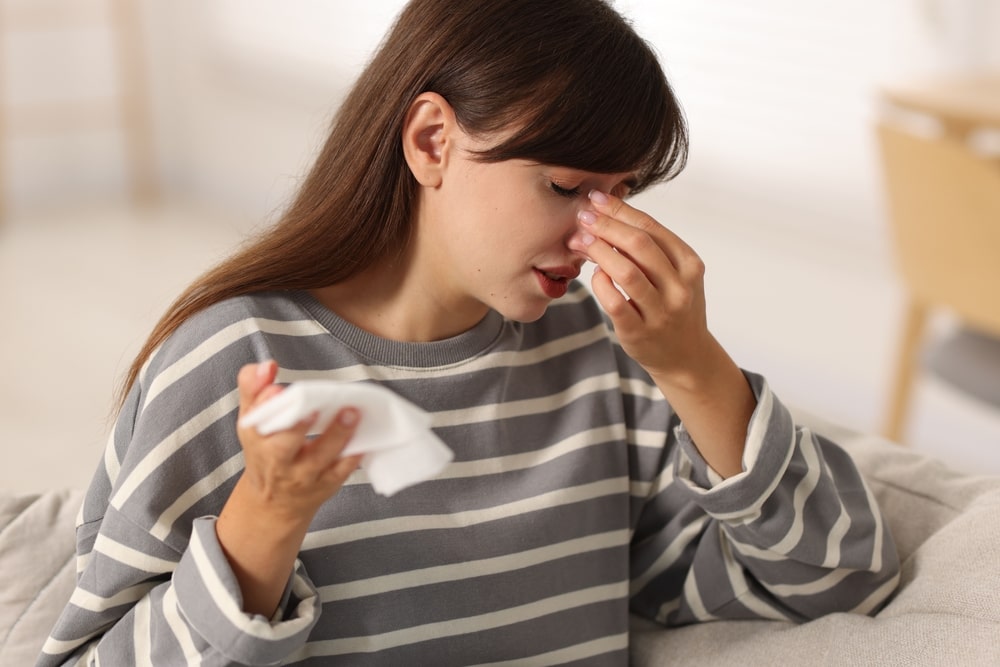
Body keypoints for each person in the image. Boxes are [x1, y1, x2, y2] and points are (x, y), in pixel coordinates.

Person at [39, 0, 900, 664]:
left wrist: (696, 370)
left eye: (621, 194)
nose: (595, 236)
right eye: (565, 187)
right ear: (431, 141)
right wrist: (265, 520)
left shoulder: (600, 360)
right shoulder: (229, 363)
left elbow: (842, 578)